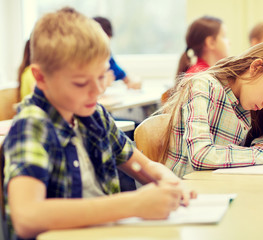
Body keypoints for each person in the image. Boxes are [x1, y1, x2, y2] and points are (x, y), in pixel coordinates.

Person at [2, 7, 195, 240]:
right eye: (81, 83)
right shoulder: (33, 126)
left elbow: (146, 167)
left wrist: (172, 185)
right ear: (41, 78)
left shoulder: (95, 116)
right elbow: (27, 217)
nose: (98, 90)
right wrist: (132, 204)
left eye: (103, 76)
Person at [157, 42, 263, 177]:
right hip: (187, 191)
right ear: (256, 67)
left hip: (221, 186)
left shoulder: (249, 101)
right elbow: (200, 155)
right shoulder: (203, 86)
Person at [162, 15, 230, 104]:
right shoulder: (199, 77)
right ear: (211, 42)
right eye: (224, 36)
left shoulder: (206, 74)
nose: (229, 42)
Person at [93, 16, 141, 89]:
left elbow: (125, 77)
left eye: (107, 45)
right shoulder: (82, 59)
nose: (104, 50)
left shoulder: (107, 56)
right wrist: (101, 82)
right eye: (101, 44)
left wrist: (133, 81)